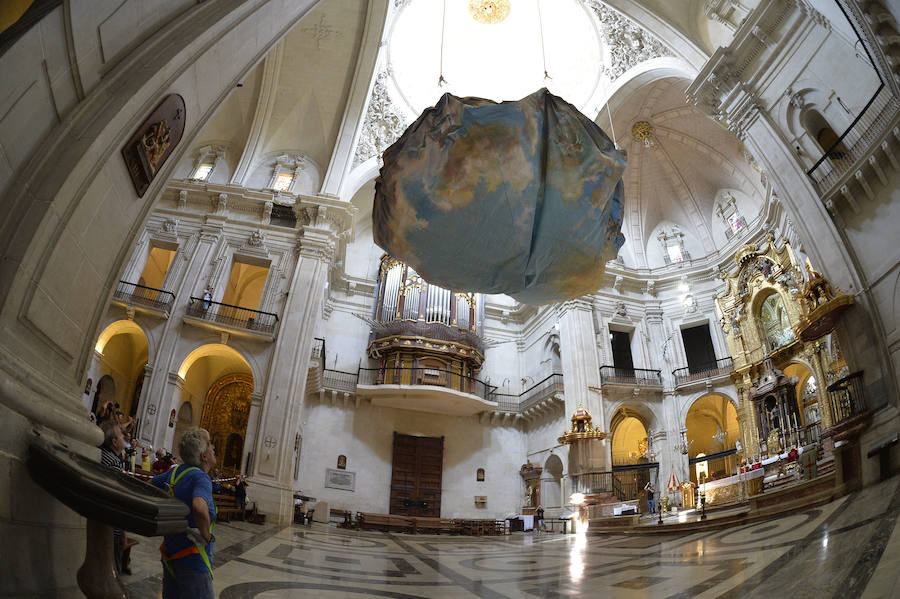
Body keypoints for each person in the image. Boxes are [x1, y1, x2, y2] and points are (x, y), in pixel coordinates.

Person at [152, 428, 217, 599]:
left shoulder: (174, 472)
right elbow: (199, 506)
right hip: (193, 559)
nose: (213, 447)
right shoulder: (201, 478)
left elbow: (148, 486)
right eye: (210, 445)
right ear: (203, 455)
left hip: (171, 554)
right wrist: (206, 535)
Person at [99, 420, 129, 574]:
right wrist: (123, 532)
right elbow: (118, 500)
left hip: (99, 523)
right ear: (114, 442)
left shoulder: (101, 454)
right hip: (111, 528)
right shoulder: (114, 463)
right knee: (113, 572)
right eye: (121, 436)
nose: (125, 437)